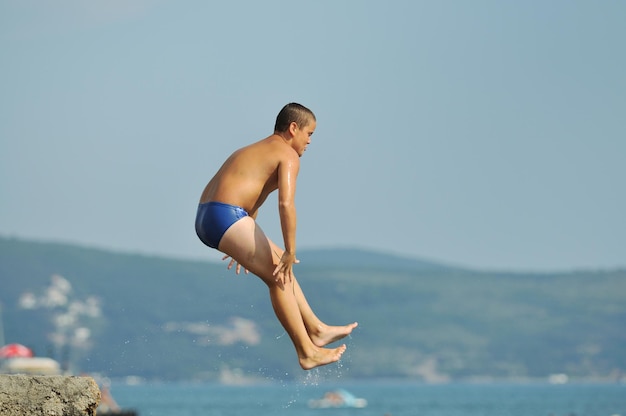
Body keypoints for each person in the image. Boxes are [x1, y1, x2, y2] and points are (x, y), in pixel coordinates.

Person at [195, 103, 358, 370]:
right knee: (279, 273)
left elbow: (251, 195)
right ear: (293, 128)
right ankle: (307, 352)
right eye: (310, 134)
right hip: (226, 216)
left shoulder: (253, 150)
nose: (309, 141)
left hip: (209, 216)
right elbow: (285, 204)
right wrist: (290, 250)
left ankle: (316, 329)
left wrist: (242, 239)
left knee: (279, 265)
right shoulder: (288, 155)